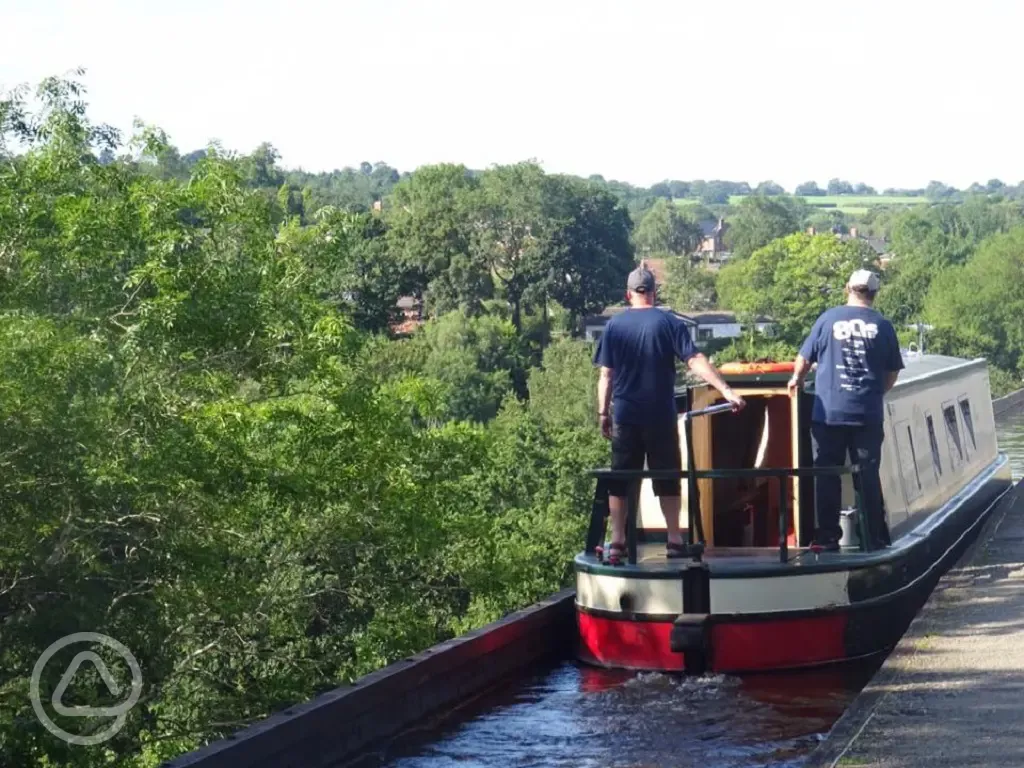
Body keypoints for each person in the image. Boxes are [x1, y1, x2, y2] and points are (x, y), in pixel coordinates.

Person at [593, 263, 745, 565]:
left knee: (620, 478)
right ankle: (675, 540)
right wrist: (726, 390)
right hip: (660, 415)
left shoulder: (614, 326)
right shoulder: (669, 323)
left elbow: (606, 376)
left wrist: (602, 414)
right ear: (653, 292)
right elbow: (695, 361)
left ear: (628, 295)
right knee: (667, 476)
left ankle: (618, 543)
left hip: (625, 414)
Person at [787, 268, 904, 551]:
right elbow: (891, 374)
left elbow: (803, 360)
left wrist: (796, 381)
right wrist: (874, 394)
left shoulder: (827, 319)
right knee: (866, 474)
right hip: (866, 413)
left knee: (826, 474)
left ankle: (827, 537)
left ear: (846, 288)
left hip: (829, 413)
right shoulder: (883, 326)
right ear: (874, 294)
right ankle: (872, 538)